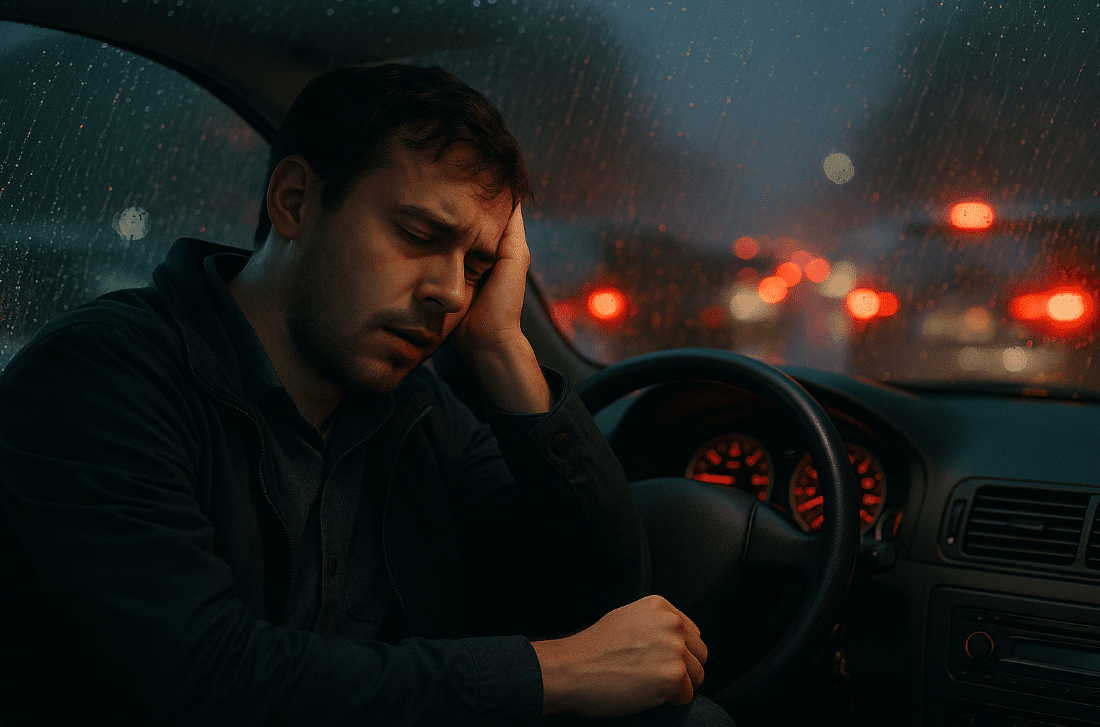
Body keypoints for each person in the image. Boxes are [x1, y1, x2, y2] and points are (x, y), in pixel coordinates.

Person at [0, 64, 731, 725]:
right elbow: (199, 677)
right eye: (418, 234)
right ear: (294, 201)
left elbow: (604, 604)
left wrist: (504, 349)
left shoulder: (415, 409)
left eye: (478, 264)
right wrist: (549, 672)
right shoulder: (101, 378)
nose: (449, 292)